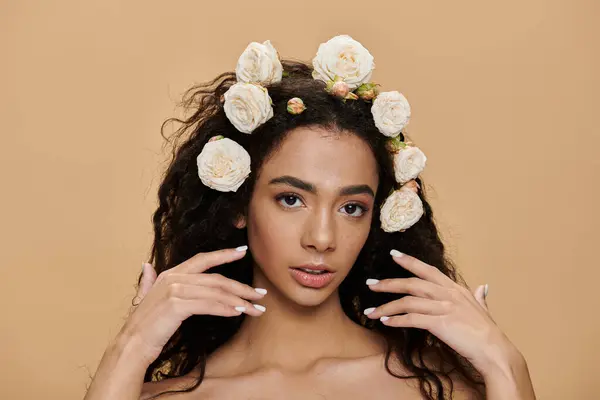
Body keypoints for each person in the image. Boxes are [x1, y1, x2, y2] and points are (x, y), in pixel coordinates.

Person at [84, 35, 536, 400]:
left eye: (351, 208)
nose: (322, 238)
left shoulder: (444, 391)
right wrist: (129, 352)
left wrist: (505, 365)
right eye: (291, 200)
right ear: (239, 205)